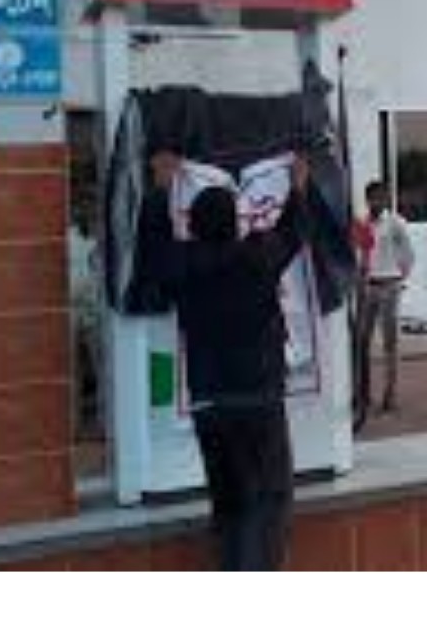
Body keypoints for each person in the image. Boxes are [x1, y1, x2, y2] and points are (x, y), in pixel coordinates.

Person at [151, 150, 311, 572]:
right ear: (236, 224)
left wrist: (161, 189)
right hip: (259, 400)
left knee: (228, 505)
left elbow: (154, 242)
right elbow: (293, 231)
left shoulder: (183, 265)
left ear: (192, 226)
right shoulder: (256, 258)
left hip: (210, 404)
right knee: (270, 499)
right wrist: (297, 186)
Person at [352, 181, 414, 413]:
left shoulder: (396, 223)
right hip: (367, 286)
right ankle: (363, 393)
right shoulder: (361, 223)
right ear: (367, 199)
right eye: (372, 198)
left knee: (390, 343)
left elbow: (408, 255)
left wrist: (399, 279)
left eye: (380, 198)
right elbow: (358, 252)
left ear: (386, 199)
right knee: (361, 341)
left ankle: (390, 394)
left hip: (389, 285)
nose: (376, 202)